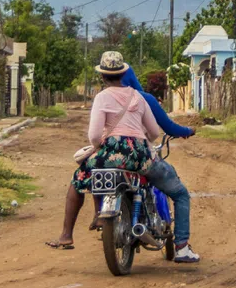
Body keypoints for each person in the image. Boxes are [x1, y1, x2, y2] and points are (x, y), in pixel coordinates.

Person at [46, 51, 161, 251]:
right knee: (145, 182)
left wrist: (100, 147)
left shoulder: (102, 97)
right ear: (123, 73)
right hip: (139, 153)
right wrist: (139, 143)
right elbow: (154, 132)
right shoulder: (139, 97)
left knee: (80, 178)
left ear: (102, 75)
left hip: (112, 150)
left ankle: (66, 235)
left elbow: (94, 135)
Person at [120, 66, 200, 263]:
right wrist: (187, 130)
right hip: (140, 157)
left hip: (110, 160)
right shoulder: (143, 98)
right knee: (180, 194)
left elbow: (94, 134)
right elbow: (164, 129)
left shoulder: (102, 98)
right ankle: (181, 247)